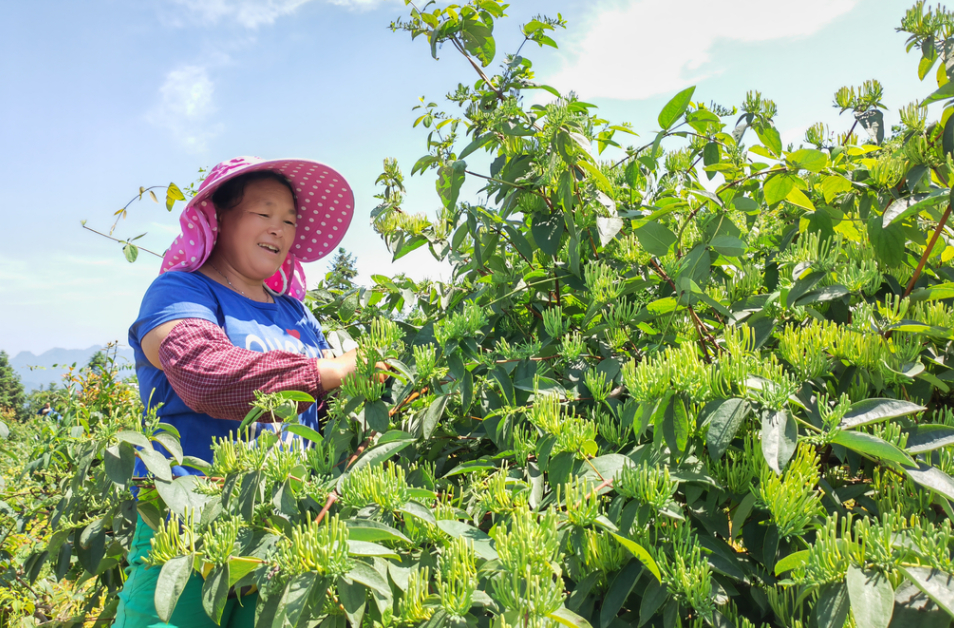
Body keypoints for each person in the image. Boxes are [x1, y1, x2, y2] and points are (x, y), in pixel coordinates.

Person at [114, 156, 368, 628]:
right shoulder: (179, 292)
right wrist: (330, 371)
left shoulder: (296, 313)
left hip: (281, 531)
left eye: (289, 220)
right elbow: (204, 374)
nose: (279, 229)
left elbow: (323, 415)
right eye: (264, 213)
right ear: (217, 218)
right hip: (185, 530)